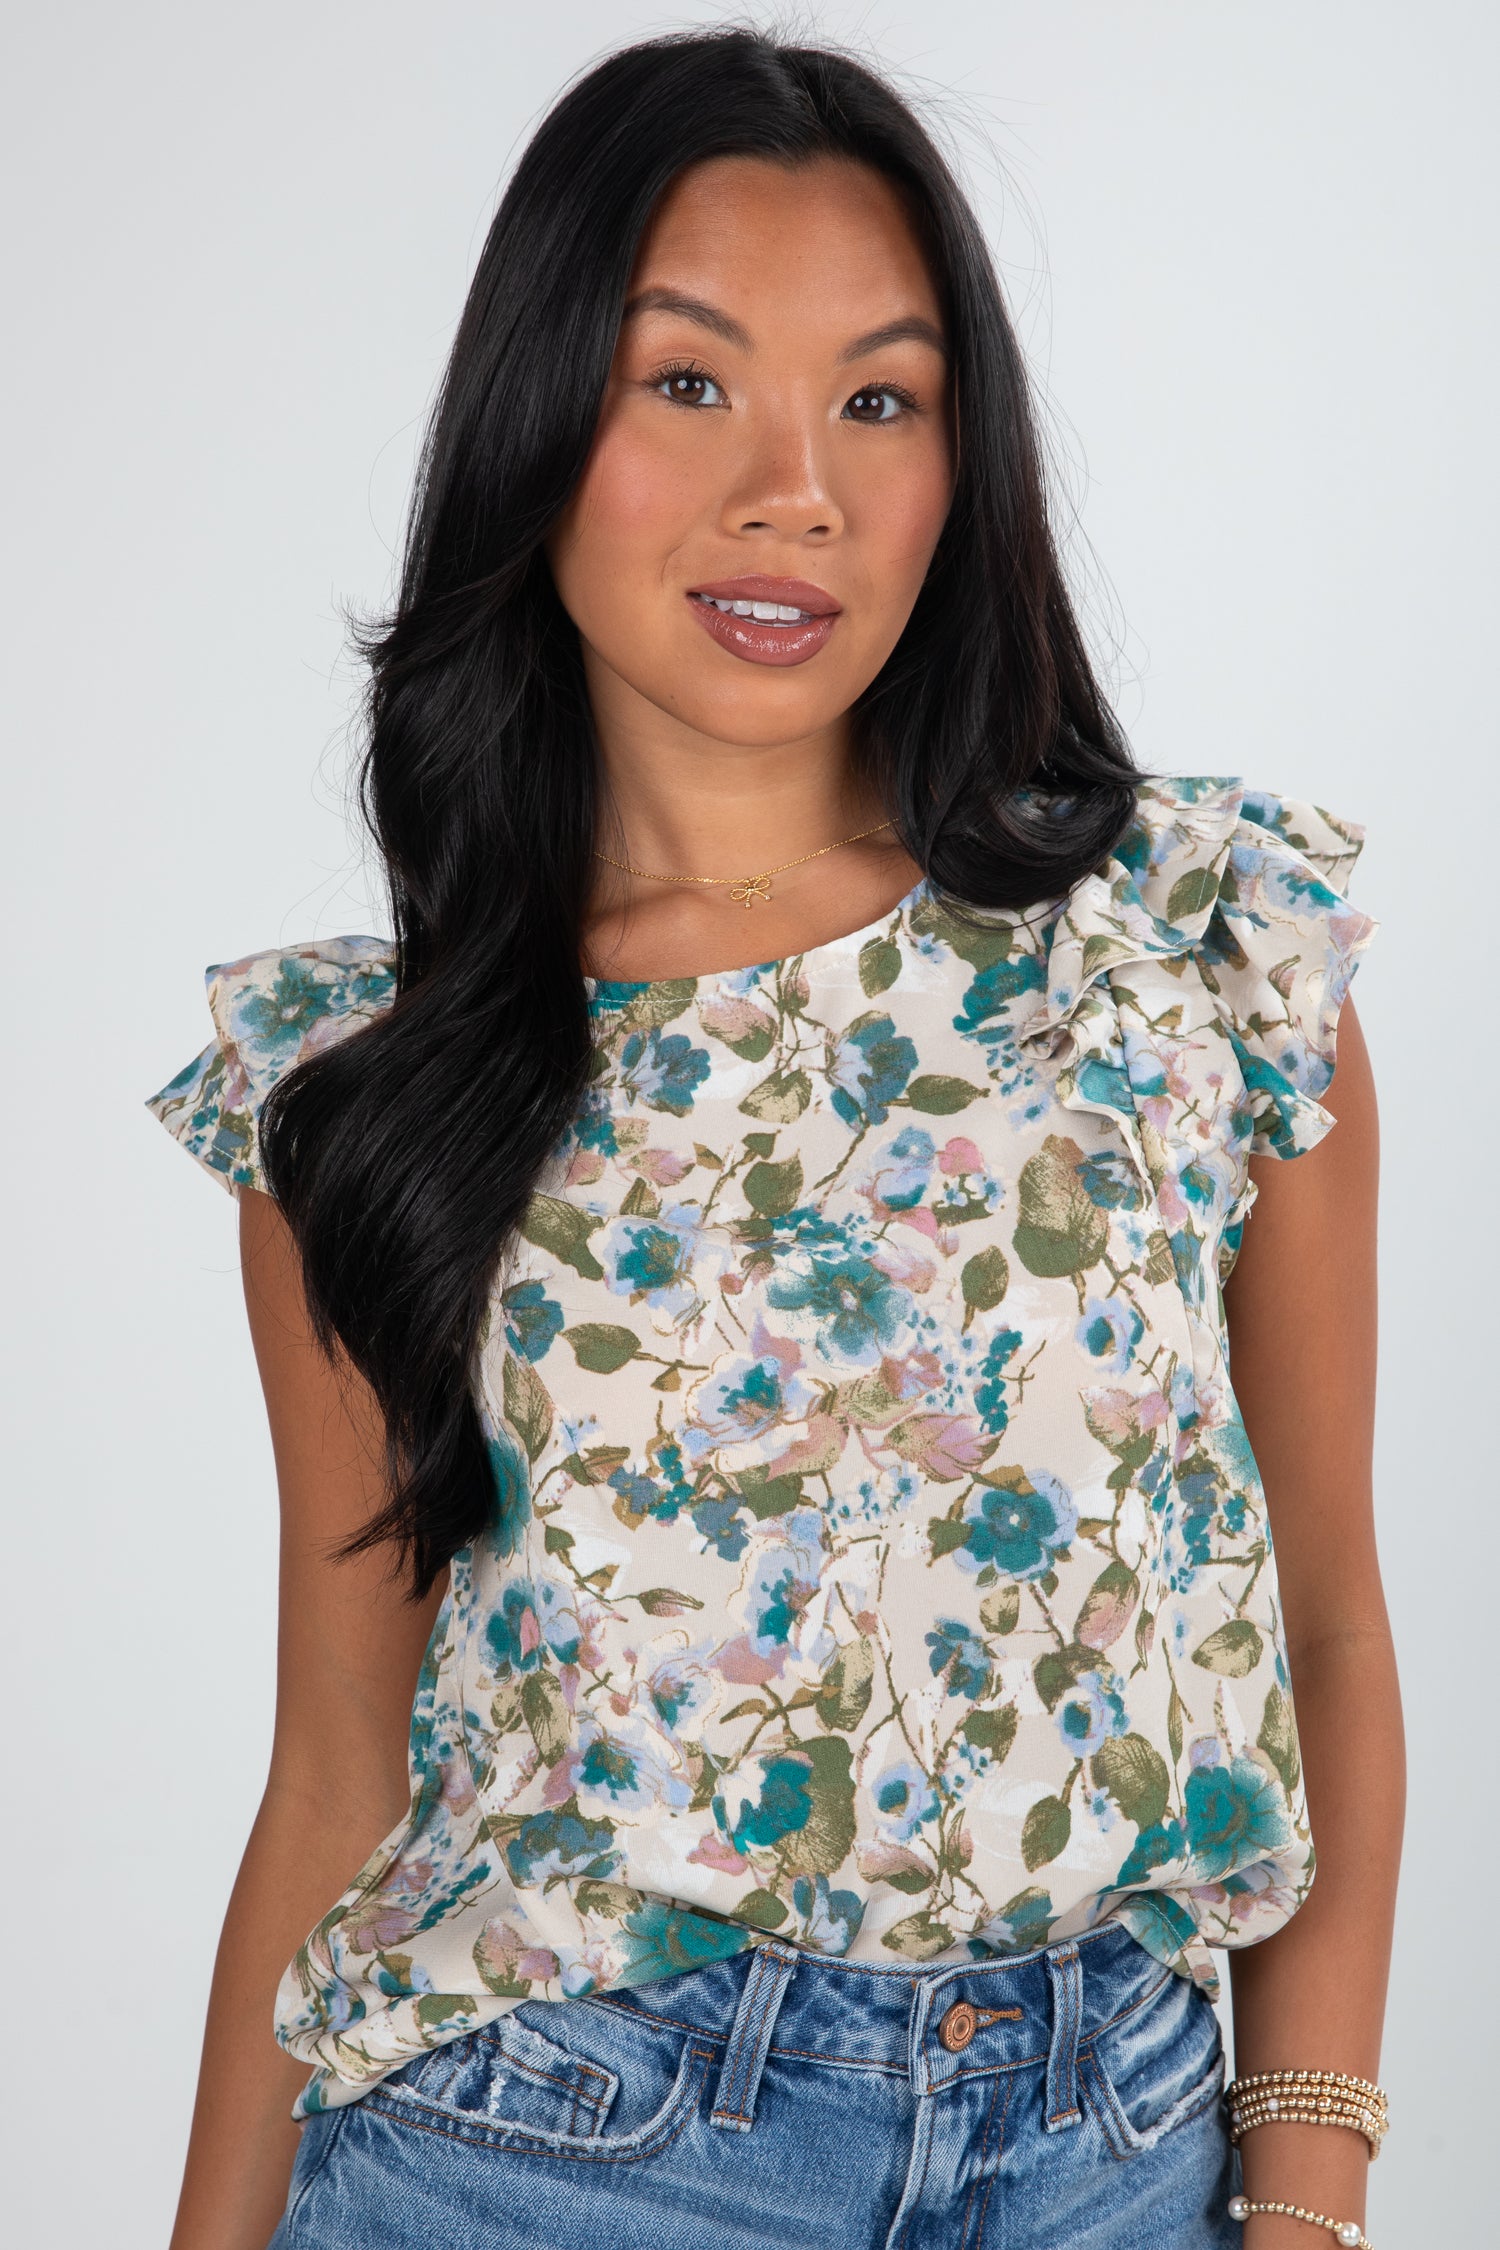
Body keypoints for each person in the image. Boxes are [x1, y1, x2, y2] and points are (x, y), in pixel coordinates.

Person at [150, 30, 1401, 2250]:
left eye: (882, 399)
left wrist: (1303, 2189)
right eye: (690, 384)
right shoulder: (368, 1086)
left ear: (957, 461)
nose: (794, 493)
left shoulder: (1198, 953)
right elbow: (341, 1780)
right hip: (546, 2159)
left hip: (1117, 2152)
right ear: (543, 425)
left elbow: (1323, 1613)